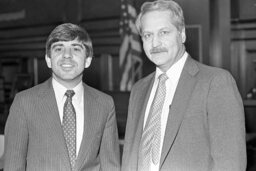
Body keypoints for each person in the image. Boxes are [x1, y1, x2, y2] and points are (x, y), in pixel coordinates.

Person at [121, 0, 247, 171]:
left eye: (164, 32)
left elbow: (231, 164)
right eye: (147, 35)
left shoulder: (216, 82)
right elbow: (129, 156)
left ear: (182, 34)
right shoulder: (139, 89)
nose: (155, 43)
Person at [4, 23, 120, 171]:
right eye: (58, 48)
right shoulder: (24, 102)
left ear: (88, 60)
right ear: (48, 59)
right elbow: (13, 165)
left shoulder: (105, 104)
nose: (67, 55)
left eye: (76, 49)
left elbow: (111, 165)